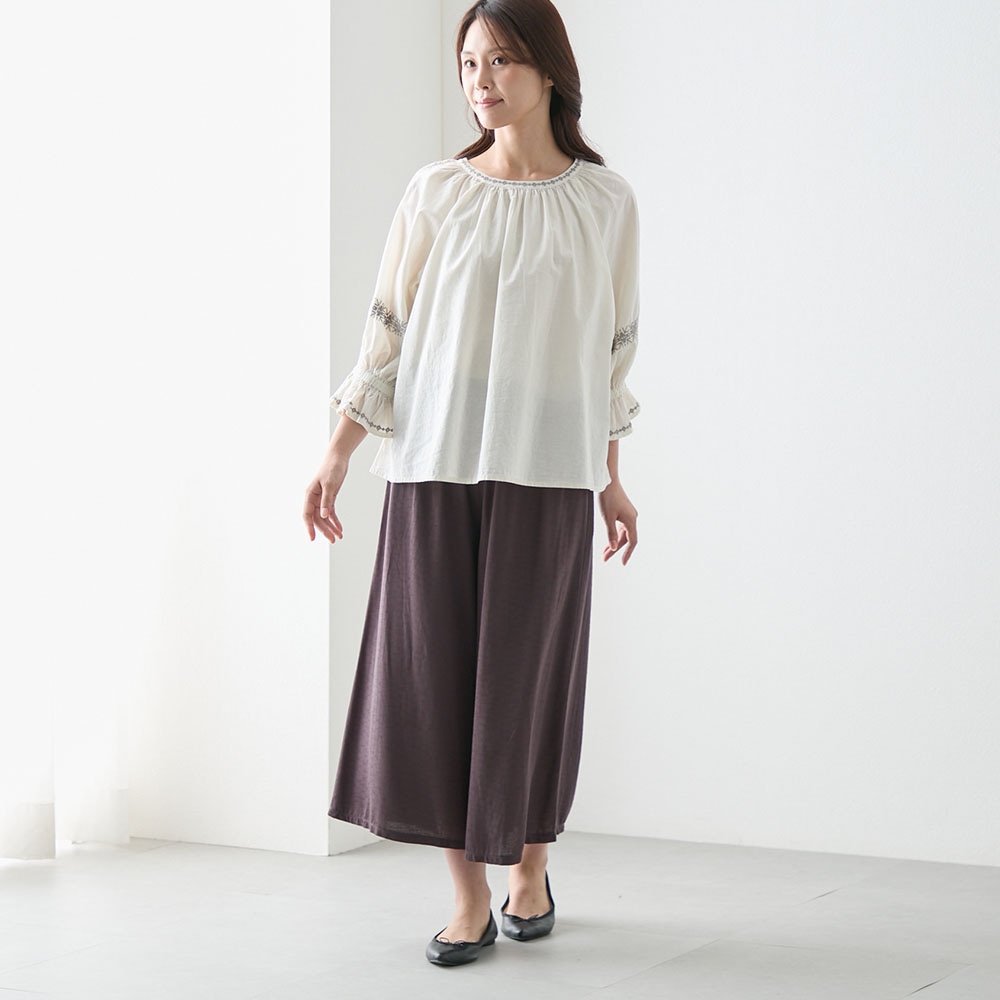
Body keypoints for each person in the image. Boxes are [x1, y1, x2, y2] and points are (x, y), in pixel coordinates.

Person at [302, 0, 640, 968]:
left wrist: (611, 479)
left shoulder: (605, 202)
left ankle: (530, 868)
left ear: (548, 69)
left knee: (527, 684)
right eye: (468, 63)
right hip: (433, 463)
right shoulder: (436, 192)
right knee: (433, 682)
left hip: (549, 470)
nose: (480, 81)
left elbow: (611, 355)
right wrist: (337, 452)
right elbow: (387, 332)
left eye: (500, 60)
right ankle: (466, 897)